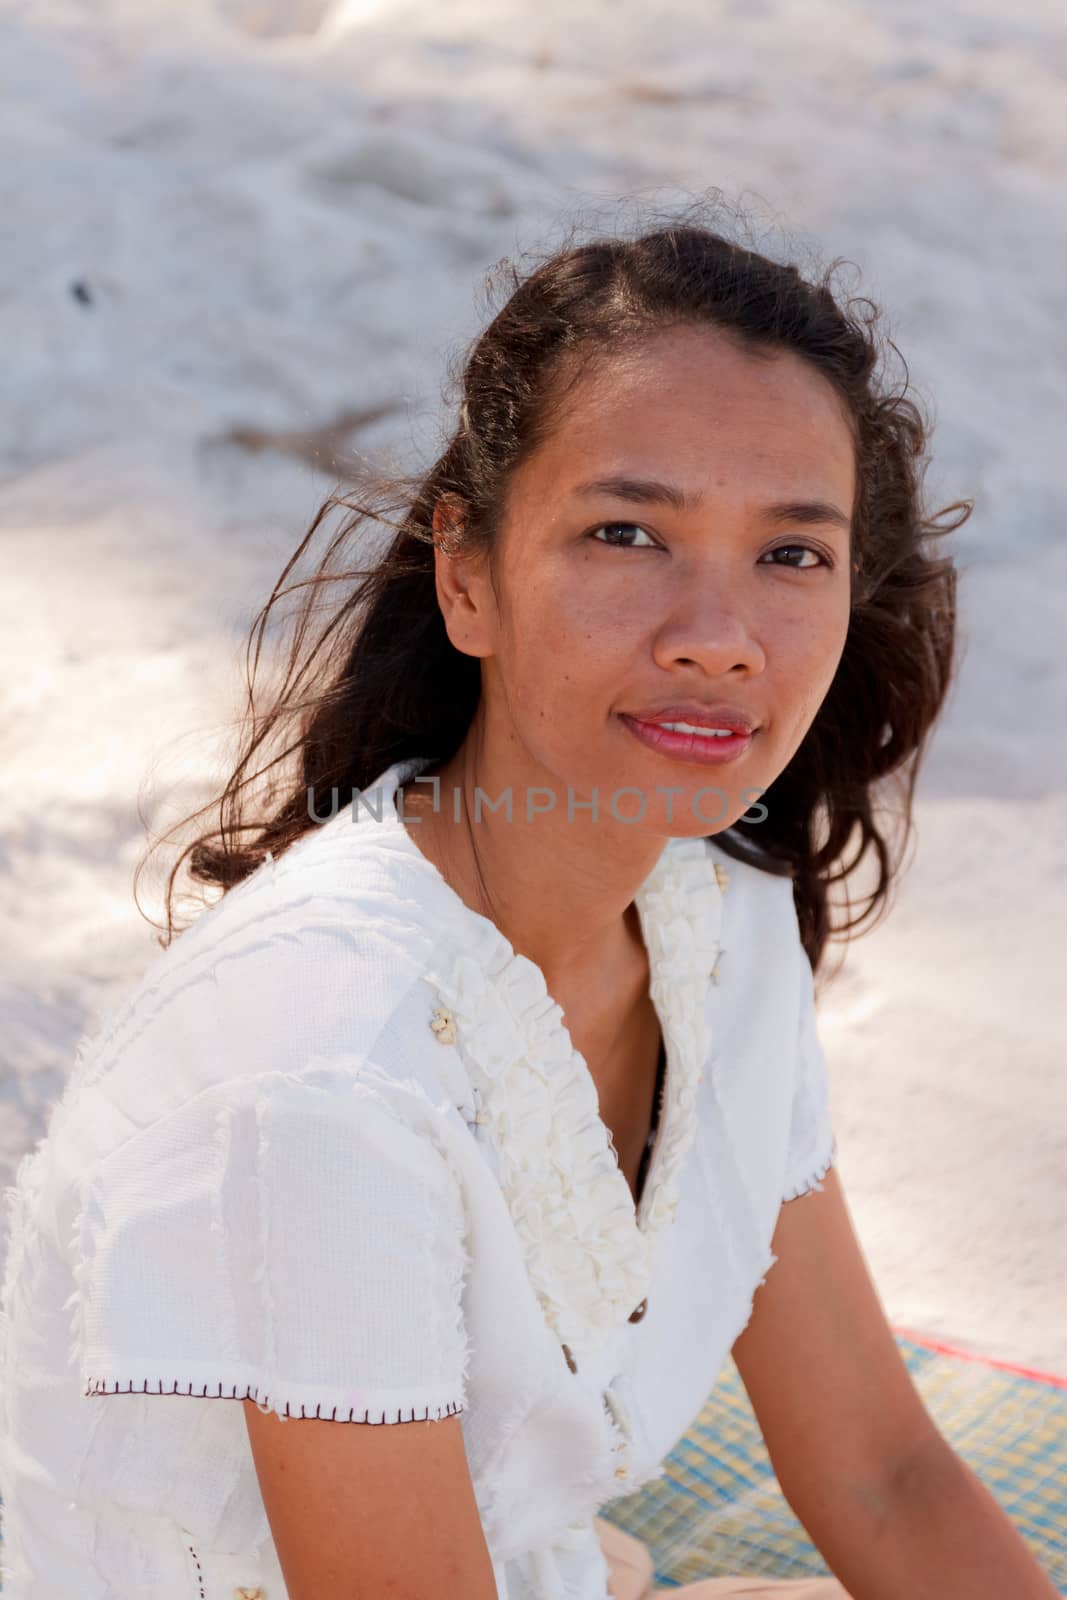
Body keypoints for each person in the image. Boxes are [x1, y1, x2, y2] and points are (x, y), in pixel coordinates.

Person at [0, 207, 1058, 1600]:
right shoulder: (330, 1070)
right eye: (628, 532)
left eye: (791, 554)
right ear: (466, 576)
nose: (718, 637)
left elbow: (879, 1470)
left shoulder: (713, 921)